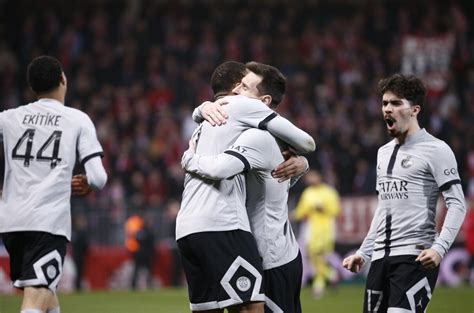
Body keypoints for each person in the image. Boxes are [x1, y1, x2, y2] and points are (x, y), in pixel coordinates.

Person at [176, 61, 315, 313]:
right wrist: (203, 107)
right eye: (237, 85)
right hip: (260, 248)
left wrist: (188, 158)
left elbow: (224, 169)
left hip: (271, 257)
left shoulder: (257, 136)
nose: (237, 92)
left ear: (263, 101)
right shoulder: (244, 131)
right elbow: (276, 179)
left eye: (245, 87)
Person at [342, 74, 466, 313]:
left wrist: (439, 248)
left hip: (414, 256)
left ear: (415, 110)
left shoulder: (436, 150)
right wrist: (364, 252)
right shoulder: (383, 152)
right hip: (380, 259)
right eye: (385, 103)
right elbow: (384, 207)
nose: (387, 109)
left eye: (396, 103)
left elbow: (457, 204)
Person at [0, 55, 107, 313]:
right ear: (63, 79)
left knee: (48, 295)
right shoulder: (77, 119)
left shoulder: (9, 117)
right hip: (47, 223)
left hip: (11, 223)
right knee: (38, 298)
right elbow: (99, 177)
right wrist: (88, 183)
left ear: (32, 87)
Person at [293, 169, 341, 299]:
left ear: (319, 176)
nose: (310, 179)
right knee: (315, 257)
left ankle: (319, 285)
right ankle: (330, 275)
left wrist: (323, 208)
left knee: (320, 256)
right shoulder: (307, 193)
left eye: (313, 176)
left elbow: (336, 210)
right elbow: (301, 211)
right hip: (312, 230)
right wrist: (294, 215)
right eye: (309, 177)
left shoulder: (329, 192)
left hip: (326, 229)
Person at [125, 214, 155, 290]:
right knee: (146, 270)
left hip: (139, 254)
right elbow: (151, 244)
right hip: (145, 254)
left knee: (138, 270)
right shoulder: (148, 232)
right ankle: (146, 284)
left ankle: (134, 285)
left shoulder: (139, 232)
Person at [71, 214, 89, 292]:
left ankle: (77, 286)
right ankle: (78, 286)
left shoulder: (75, 232)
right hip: (80, 255)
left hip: (76, 255)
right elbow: (85, 245)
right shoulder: (81, 233)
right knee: (79, 271)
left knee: (78, 271)